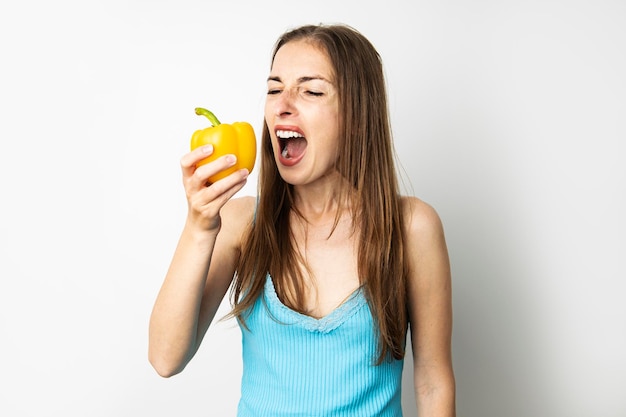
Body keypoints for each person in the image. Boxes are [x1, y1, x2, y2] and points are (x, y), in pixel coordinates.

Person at [149, 23, 455, 416]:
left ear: (358, 115)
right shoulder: (242, 224)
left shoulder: (412, 227)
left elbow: (432, 381)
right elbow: (165, 358)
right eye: (274, 89)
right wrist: (199, 226)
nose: (282, 104)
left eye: (310, 91)